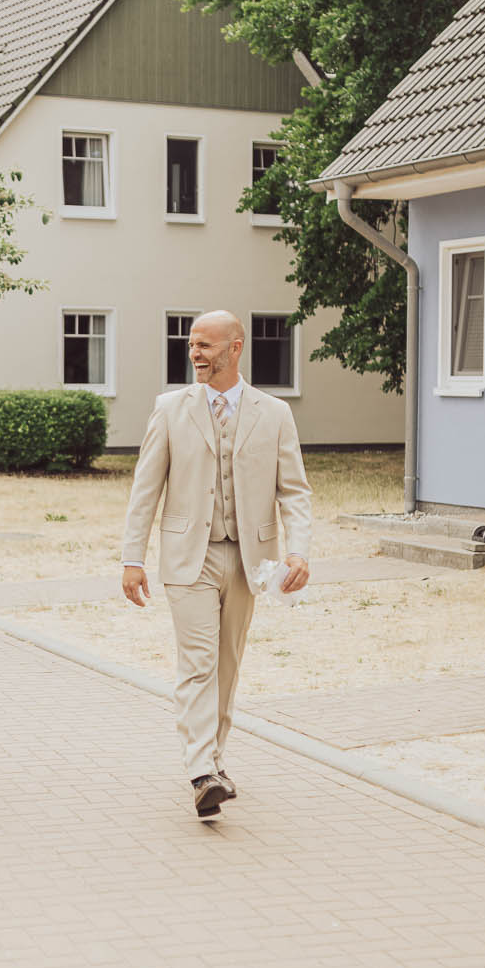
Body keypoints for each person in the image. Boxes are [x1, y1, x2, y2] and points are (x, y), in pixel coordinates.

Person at [120, 311, 312, 819]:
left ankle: (215, 765)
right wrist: (132, 559)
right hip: (190, 559)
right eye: (191, 345)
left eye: (205, 345)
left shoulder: (274, 413)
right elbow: (146, 490)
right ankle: (202, 769)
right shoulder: (169, 409)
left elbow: (294, 491)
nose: (195, 354)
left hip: (250, 559)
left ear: (235, 348)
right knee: (198, 664)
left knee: (227, 667)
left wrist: (299, 550)